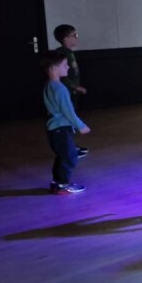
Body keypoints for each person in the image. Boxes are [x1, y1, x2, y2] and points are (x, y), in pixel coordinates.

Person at [43, 50, 90, 194]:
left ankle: (57, 183)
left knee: (63, 156)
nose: (68, 67)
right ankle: (62, 185)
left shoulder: (49, 85)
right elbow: (68, 111)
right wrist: (81, 126)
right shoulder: (60, 88)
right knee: (70, 157)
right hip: (60, 129)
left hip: (54, 129)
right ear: (53, 68)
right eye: (64, 65)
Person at [54, 23, 89, 158]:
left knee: (70, 118)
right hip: (67, 92)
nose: (76, 37)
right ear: (65, 39)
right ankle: (69, 148)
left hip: (71, 92)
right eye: (74, 35)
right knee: (68, 119)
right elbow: (62, 76)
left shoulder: (68, 53)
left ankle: (71, 146)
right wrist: (75, 86)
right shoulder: (62, 54)